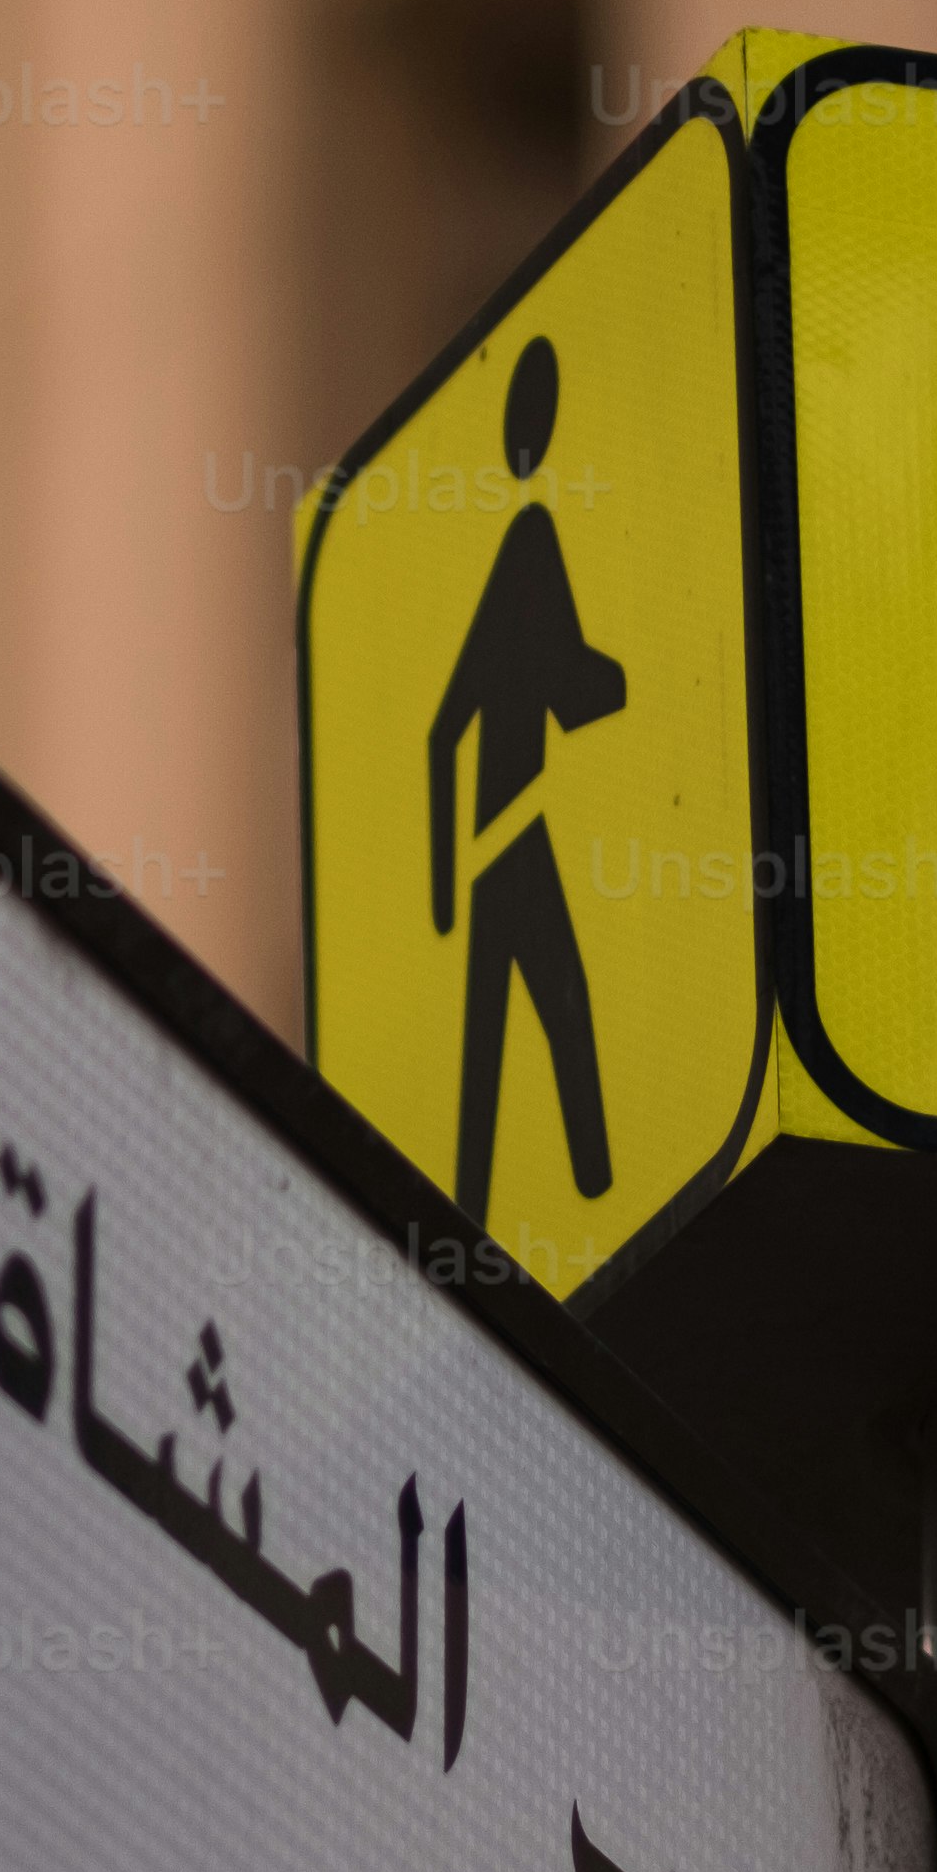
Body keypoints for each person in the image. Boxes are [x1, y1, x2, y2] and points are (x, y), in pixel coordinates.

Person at [426, 333, 629, 1223]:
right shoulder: (532, 540)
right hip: (516, 836)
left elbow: (446, 732)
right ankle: (594, 1184)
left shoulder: (520, 548)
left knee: (490, 1046)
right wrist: (618, 677)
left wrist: (447, 880)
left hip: (494, 844)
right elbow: (561, 679)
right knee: (562, 1010)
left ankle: (478, 1223)